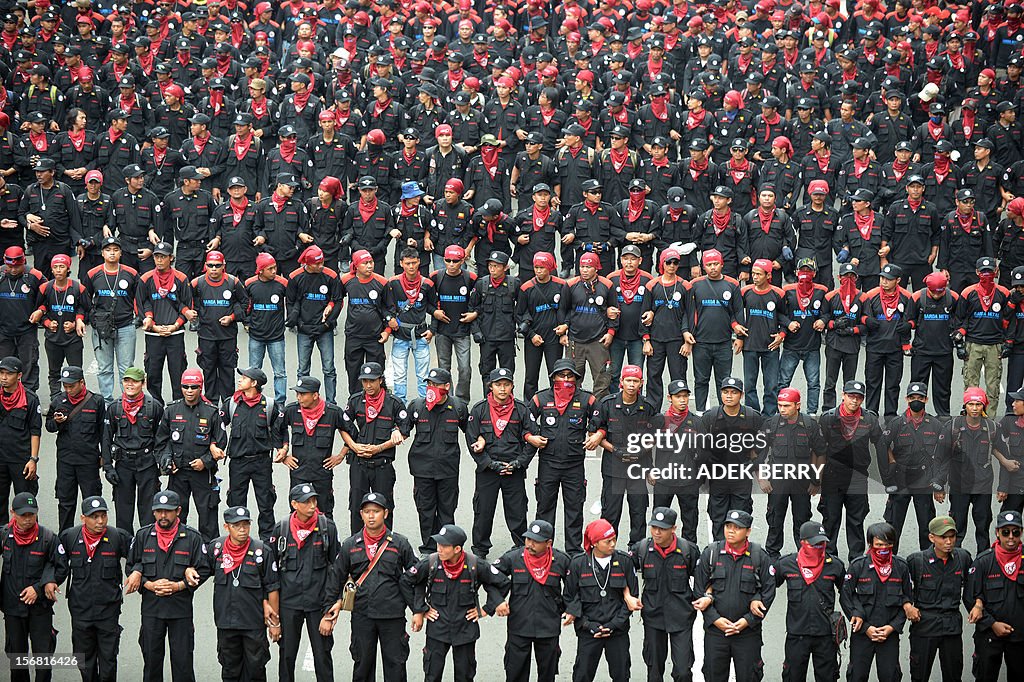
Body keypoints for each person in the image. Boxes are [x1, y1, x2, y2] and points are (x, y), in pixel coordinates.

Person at [320, 492, 418, 682]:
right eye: (367, 511)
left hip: (393, 616)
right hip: (363, 615)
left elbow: (414, 576)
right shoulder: (350, 545)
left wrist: (418, 609)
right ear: (361, 514)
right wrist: (328, 610)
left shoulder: (400, 544)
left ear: (386, 514)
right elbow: (336, 578)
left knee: (396, 666)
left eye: (376, 511)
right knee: (362, 665)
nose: (371, 516)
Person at [124, 490, 212, 682]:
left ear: (178, 511)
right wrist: (148, 584)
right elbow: (131, 566)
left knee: (183, 667)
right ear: (153, 512)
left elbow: (204, 569)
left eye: (168, 511)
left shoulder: (192, 538)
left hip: (180, 611)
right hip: (151, 611)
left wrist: (179, 585)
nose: (163, 515)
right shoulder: (143, 536)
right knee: (151, 666)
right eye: (159, 511)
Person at [403, 523, 508, 682]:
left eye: (444, 546)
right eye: (438, 544)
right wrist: (419, 609)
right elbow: (407, 581)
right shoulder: (431, 563)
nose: (439, 549)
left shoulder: (475, 564)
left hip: (465, 630)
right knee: (432, 675)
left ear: (457, 549)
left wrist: (487, 609)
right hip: (437, 629)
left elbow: (502, 582)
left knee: (465, 676)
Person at [54, 496, 134, 682]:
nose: (100, 521)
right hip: (80, 610)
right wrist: (50, 581)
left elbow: (137, 556)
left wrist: (136, 572)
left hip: (108, 610)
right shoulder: (69, 537)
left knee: (108, 659)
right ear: (83, 518)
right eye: (94, 516)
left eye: (103, 515)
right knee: (84, 659)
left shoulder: (117, 536)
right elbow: (56, 563)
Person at [693, 509, 776, 682]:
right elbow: (699, 590)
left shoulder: (759, 556)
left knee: (749, 677)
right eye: (728, 526)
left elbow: (768, 592)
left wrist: (747, 621)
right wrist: (715, 619)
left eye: (737, 527)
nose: (731, 530)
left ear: (748, 531)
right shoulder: (711, 554)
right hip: (716, 633)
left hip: (747, 635)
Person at [270, 484, 340, 682]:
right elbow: (271, 571)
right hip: (289, 604)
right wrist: (274, 615)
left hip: (318, 604)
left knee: (323, 656)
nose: (312, 505)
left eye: (314, 500)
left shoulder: (327, 528)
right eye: (306, 501)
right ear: (294, 504)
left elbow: (337, 568)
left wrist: (331, 607)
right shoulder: (281, 530)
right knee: (287, 656)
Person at [527, 359, 598, 555]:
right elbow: (525, 419)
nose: (566, 379)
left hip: (574, 464)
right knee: (545, 508)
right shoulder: (540, 399)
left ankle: (574, 551)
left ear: (576, 379)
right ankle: (542, 548)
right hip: (548, 462)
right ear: (553, 378)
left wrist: (597, 433)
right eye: (561, 375)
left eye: (570, 376)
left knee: (574, 509)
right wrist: (530, 436)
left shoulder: (587, 399)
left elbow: (602, 418)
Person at [933, 388, 1015, 552]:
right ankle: (956, 563)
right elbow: (940, 458)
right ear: (965, 405)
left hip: (983, 488)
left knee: (983, 529)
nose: (975, 408)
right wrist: (938, 486)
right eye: (971, 404)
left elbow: (1006, 459)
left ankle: (983, 562)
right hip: (959, 487)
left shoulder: (992, 428)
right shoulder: (953, 427)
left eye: (979, 404)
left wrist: (1003, 487)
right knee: (956, 529)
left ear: (984, 406)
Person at [491, 519, 573, 682]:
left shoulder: (562, 560)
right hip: (519, 626)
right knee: (515, 673)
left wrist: (570, 609)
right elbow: (491, 577)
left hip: (548, 627)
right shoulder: (513, 558)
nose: (530, 544)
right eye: (528, 539)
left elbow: (575, 588)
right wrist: (498, 600)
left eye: (536, 541)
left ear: (548, 543)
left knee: (547, 675)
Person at [627, 507, 702, 682]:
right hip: (653, 618)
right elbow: (624, 570)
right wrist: (628, 595)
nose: (657, 532)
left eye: (662, 528)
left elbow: (700, 579)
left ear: (673, 529)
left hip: (681, 617)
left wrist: (704, 597)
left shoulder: (688, 550)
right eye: (654, 527)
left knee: (683, 671)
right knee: (654, 670)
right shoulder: (642, 549)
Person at [207, 506, 280, 682]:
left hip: (253, 624)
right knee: (230, 670)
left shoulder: (261, 552)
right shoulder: (216, 549)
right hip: (226, 623)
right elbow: (202, 570)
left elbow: (272, 588)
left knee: (255, 670)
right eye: (236, 525)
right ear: (227, 527)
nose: (242, 529)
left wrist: (274, 623)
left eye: (246, 525)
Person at [467, 367, 532, 559]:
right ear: (491, 387)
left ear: (512, 386)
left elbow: (531, 440)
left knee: (518, 511)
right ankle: (479, 550)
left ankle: (521, 548)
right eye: (498, 385)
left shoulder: (522, 410)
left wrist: (519, 463)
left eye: (506, 384)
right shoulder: (479, 410)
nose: (502, 389)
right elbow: (471, 440)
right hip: (488, 470)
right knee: (483, 511)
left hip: (514, 470)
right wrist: (489, 464)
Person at [563, 519, 638, 682]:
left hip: (617, 632)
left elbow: (632, 597)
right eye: (607, 541)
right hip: (588, 632)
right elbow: (569, 598)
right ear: (595, 543)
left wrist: (613, 625)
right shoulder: (578, 564)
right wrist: (588, 625)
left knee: (621, 675)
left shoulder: (625, 561)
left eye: (614, 539)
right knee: (582, 675)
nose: (613, 544)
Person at [588, 364, 655, 545]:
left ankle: (636, 552)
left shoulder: (648, 407)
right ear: (621, 382)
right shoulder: (607, 404)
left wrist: (642, 453)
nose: (632, 385)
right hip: (613, 469)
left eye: (635, 381)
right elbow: (595, 433)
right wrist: (615, 450)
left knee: (638, 513)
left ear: (641, 383)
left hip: (638, 468)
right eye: (628, 380)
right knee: (610, 513)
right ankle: (606, 548)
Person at [156, 369, 226, 543]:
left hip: (202, 474)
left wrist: (205, 461)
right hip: (178, 473)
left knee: (208, 518)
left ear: (200, 388)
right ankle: (177, 550)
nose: (189, 390)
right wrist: (166, 460)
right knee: (176, 515)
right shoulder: (171, 410)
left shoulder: (211, 412)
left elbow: (221, 442)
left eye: (193, 387)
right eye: (185, 386)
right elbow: (161, 441)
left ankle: (210, 556)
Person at [339, 363, 410, 533]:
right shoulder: (355, 400)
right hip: (359, 464)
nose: (368, 385)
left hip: (382, 464)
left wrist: (379, 448)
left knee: (385, 507)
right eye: (364, 381)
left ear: (380, 380)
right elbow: (343, 426)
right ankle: (356, 544)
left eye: (372, 381)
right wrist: (353, 446)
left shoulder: (394, 403)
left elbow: (404, 431)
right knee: (356, 506)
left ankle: (386, 546)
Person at [757, 387, 827, 558]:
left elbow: (821, 453)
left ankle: (804, 557)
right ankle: (772, 558)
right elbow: (758, 452)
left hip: (801, 484)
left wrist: (816, 481)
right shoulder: (771, 424)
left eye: (786, 406)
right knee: (774, 521)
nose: (782, 409)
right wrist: (761, 479)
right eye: (780, 405)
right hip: (777, 483)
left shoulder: (810, 425)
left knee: (802, 522)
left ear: (797, 405)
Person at [817, 380, 883, 562]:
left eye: (858, 397)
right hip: (833, 477)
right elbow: (819, 449)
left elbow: (880, 444)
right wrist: (816, 479)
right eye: (851, 396)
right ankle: (829, 558)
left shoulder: (870, 419)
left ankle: (856, 559)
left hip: (858, 477)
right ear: (843, 395)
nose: (854, 400)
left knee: (856, 520)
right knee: (831, 519)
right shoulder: (828, 418)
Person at [405, 368, 469, 554]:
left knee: (447, 510)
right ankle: (428, 548)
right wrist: (396, 432)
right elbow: (403, 428)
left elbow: (470, 431)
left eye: (436, 384)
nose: (431, 388)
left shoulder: (458, 407)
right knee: (425, 510)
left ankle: (447, 546)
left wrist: (479, 441)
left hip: (447, 469)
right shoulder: (417, 406)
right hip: (422, 469)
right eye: (429, 384)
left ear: (447, 386)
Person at [773, 521, 846, 682]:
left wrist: (856, 614)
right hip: (796, 634)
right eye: (815, 543)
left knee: (828, 677)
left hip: (826, 635)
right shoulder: (786, 564)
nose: (820, 546)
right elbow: (768, 587)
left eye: (822, 543)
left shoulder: (835, 565)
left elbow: (846, 593)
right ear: (803, 542)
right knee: (793, 677)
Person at [840, 521, 912, 682]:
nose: (883, 548)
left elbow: (907, 600)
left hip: (889, 635)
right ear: (870, 543)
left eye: (888, 544)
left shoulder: (901, 567)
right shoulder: (858, 566)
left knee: (890, 676)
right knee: (857, 676)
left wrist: (892, 627)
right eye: (879, 544)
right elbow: (846, 596)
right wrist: (865, 627)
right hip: (862, 633)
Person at [905, 516, 972, 682]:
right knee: (919, 676)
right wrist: (907, 605)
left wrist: (977, 604)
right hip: (925, 625)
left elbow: (973, 588)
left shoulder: (963, 558)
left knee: (953, 675)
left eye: (952, 536)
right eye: (943, 537)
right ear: (932, 537)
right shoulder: (916, 561)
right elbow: (901, 588)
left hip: (951, 626)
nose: (948, 541)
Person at [0, 492, 59, 682]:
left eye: (31, 515)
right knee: (17, 660)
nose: (27, 519)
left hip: (40, 610)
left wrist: (39, 589)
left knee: (43, 662)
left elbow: (61, 567)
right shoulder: (4, 536)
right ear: (12, 513)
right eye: (23, 515)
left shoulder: (48, 538)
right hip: (12, 609)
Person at [879, 383, 941, 552]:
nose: (916, 401)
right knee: (893, 529)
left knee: (927, 529)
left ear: (926, 399)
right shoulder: (896, 423)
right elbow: (882, 446)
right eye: (912, 398)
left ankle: (928, 565)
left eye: (920, 398)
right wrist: (889, 473)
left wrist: (939, 484)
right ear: (906, 399)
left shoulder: (935, 424)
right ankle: (889, 563)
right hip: (901, 482)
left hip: (924, 483)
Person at [701, 377, 765, 540]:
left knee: (740, 519)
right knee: (718, 518)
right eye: (725, 392)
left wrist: (754, 464)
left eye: (734, 392)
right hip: (718, 477)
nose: (729, 396)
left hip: (741, 478)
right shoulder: (711, 417)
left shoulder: (752, 417)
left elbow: (764, 444)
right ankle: (718, 555)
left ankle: (740, 555)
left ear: (741, 395)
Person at [226, 367, 284, 541]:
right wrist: (215, 445)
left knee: (266, 504)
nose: (239, 380)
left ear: (254, 383)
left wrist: (283, 447)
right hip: (238, 462)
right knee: (236, 503)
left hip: (261, 462)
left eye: (244, 378)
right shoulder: (232, 403)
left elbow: (279, 430)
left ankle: (267, 542)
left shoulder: (270, 406)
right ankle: (236, 539)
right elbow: (218, 425)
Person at [966, 510, 1024, 681]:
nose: (1011, 537)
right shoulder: (984, 562)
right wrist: (992, 624)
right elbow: (970, 598)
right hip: (989, 636)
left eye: (1016, 531)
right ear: (997, 533)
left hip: (1020, 637)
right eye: (1005, 532)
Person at [45, 366, 105, 531]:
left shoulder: (96, 401)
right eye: (65, 386)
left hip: (88, 461)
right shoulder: (58, 401)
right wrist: (57, 421)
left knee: (92, 503)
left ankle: (94, 536)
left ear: (81, 382)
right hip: (66, 462)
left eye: (71, 385)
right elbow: (49, 426)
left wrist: (104, 456)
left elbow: (103, 432)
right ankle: (64, 540)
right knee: (65, 502)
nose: (68, 389)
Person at [279, 376, 346, 519]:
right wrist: (283, 455)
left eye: (303, 394)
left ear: (315, 395)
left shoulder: (333, 412)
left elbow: (352, 434)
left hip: (322, 472)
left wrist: (340, 456)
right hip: (299, 472)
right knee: (296, 513)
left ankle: (326, 541)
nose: (299, 397)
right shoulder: (291, 410)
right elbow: (276, 430)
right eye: (297, 394)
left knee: (325, 513)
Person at [684, 249, 743, 411]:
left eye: (716, 264)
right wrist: (687, 333)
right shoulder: (695, 285)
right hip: (701, 342)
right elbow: (689, 312)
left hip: (724, 342)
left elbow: (738, 312)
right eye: (709, 265)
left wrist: (739, 337)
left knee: (723, 382)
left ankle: (724, 412)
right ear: (704, 266)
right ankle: (700, 411)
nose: (713, 268)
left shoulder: (733, 284)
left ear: (722, 264)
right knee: (701, 380)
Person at [189, 250, 247, 409]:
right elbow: (186, 301)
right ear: (205, 266)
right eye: (210, 265)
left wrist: (233, 317)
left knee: (227, 371)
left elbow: (245, 304)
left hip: (227, 336)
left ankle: (229, 404)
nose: (214, 269)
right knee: (209, 370)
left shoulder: (233, 282)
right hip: (206, 335)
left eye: (217, 266)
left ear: (224, 266)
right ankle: (211, 404)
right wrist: (193, 313)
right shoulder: (197, 283)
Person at [84, 237, 139, 402]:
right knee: (104, 368)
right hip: (102, 328)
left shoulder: (131, 273)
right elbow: (85, 299)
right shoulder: (92, 274)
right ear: (102, 253)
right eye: (108, 250)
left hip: (126, 326)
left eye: (116, 250)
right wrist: (87, 320)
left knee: (126, 368)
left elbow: (139, 298)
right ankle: (107, 402)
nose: (112, 253)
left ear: (121, 253)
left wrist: (140, 317)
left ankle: (127, 401)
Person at [137, 241, 193, 404]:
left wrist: (175, 325)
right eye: (156, 257)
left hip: (175, 334)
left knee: (177, 372)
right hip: (153, 334)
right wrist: (152, 324)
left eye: (163, 257)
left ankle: (178, 405)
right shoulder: (146, 279)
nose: (159, 260)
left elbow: (187, 305)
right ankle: (156, 405)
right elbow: (140, 303)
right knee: (153, 373)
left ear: (171, 258)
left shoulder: (181, 279)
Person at [286, 244, 342, 405]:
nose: (321, 266)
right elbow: (290, 302)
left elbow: (338, 301)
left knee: (329, 368)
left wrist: (328, 324)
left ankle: (331, 403)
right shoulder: (295, 277)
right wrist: (299, 324)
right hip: (304, 329)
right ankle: (302, 401)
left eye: (322, 262)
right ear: (307, 264)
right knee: (303, 369)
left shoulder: (331, 276)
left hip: (325, 329)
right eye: (316, 264)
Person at [383, 247, 437, 402]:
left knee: (424, 375)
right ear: (401, 263)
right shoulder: (393, 283)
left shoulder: (427, 284)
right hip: (400, 335)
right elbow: (385, 306)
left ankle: (424, 406)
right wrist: (388, 319)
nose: (411, 266)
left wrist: (432, 330)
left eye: (414, 262)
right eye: (407, 263)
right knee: (399, 376)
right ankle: (400, 406)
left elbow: (435, 309)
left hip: (420, 335)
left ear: (419, 262)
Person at [516, 251, 567, 401]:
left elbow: (566, 310)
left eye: (542, 268)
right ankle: (529, 409)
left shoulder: (561, 285)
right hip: (534, 338)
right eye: (536, 267)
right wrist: (531, 335)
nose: (538, 271)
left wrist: (564, 329)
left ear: (550, 268)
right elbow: (519, 314)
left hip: (554, 337)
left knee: (555, 374)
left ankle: (555, 404)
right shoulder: (526, 288)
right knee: (531, 377)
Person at [36, 254, 89, 396]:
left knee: (76, 372)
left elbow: (87, 309)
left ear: (68, 269)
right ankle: (55, 401)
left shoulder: (78, 288)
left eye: (62, 266)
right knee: (54, 372)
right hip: (53, 339)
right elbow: (39, 309)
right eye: (55, 267)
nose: (58, 270)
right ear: (51, 269)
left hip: (73, 340)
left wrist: (77, 321)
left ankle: (79, 400)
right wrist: (47, 322)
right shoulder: (45, 288)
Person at [338, 249, 389, 396]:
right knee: (353, 373)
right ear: (356, 265)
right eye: (365, 263)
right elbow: (337, 299)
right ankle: (354, 401)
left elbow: (388, 308)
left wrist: (387, 331)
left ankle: (380, 402)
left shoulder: (382, 282)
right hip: (353, 336)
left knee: (376, 374)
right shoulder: (346, 280)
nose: (369, 266)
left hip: (375, 337)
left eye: (371, 262)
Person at [468, 251, 518, 395]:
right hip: (487, 339)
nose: (492, 269)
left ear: (505, 267)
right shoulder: (481, 284)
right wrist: (476, 331)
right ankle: (488, 404)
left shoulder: (513, 284)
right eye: (490, 266)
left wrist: (523, 325)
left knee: (507, 374)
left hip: (507, 339)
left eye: (496, 266)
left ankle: (508, 404)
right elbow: (472, 309)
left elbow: (521, 309)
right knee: (487, 374)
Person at [0, 356, 42, 528]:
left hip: (21, 461)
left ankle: (32, 541)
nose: (3, 377)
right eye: (1, 373)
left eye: (8, 374)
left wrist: (33, 460)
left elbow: (35, 431)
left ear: (19, 375)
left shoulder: (30, 399)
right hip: (1, 460)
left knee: (26, 504)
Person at [244, 253, 289, 406]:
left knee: (280, 373)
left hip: (276, 336)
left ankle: (280, 403)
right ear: (260, 270)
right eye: (270, 269)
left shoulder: (283, 283)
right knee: (253, 372)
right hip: (256, 336)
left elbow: (292, 301)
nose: (274, 271)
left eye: (275, 267)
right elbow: (245, 305)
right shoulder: (250, 284)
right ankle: (253, 399)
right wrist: (247, 321)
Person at [0, 246, 45, 392]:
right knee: (5, 368)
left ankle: (29, 397)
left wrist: (41, 310)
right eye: (10, 266)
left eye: (17, 266)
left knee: (29, 365)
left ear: (23, 262)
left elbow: (50, 294)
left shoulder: (35, 276)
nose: (13, 270)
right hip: (3, 331)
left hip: (26, 330)